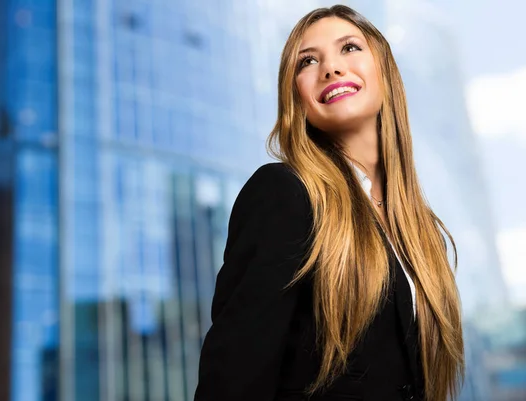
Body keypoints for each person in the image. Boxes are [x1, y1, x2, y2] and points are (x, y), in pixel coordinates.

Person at [194, 5, 464, 401]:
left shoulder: (425, 236)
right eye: (308, 61)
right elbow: (233, 379)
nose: (331, 68)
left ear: (385, 72)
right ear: (297, 100)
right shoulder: (284, 194)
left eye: (349, 48)